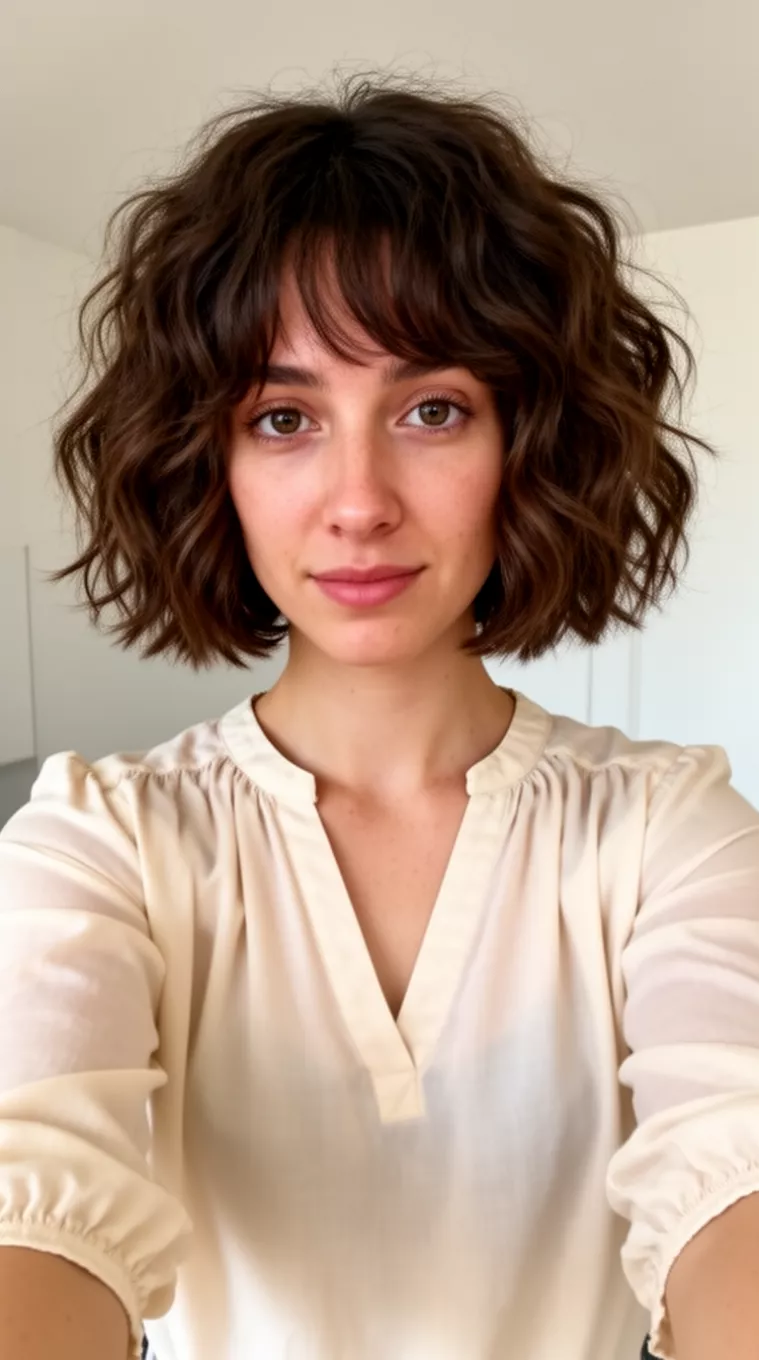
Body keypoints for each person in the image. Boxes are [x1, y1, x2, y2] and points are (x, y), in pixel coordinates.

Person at [0, 69, 758, 1360]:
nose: (357, 500)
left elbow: (733, 1157)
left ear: (532, 445)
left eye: (430, 409)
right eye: (284, 417)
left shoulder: (664, 826)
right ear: (209, 464)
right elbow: (31, 1188)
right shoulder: (100, 839)